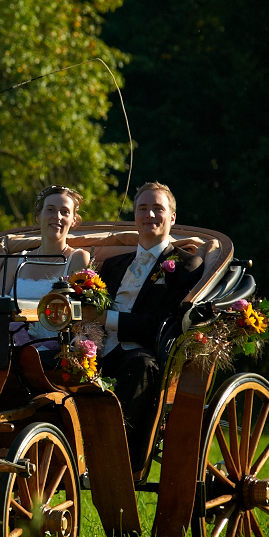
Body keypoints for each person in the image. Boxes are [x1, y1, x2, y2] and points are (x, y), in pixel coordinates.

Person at [91, 182, 203, 474]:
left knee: (140, 367)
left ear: (172, 217)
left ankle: (119, 459)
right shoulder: (114, 264)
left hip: (143, 352)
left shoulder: (186, 265)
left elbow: (164, 324)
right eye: (143, 208)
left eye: (158, 208)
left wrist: (108, 320)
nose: (150, 214)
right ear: (135, 216)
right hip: (98, 348)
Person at [0, 185, 92, 311]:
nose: (57, 216)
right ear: (38, 216)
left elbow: (82, 310)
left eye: (64, 212)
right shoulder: (14, 261)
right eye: (50, 209)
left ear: (73, 220)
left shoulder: (78, 258)